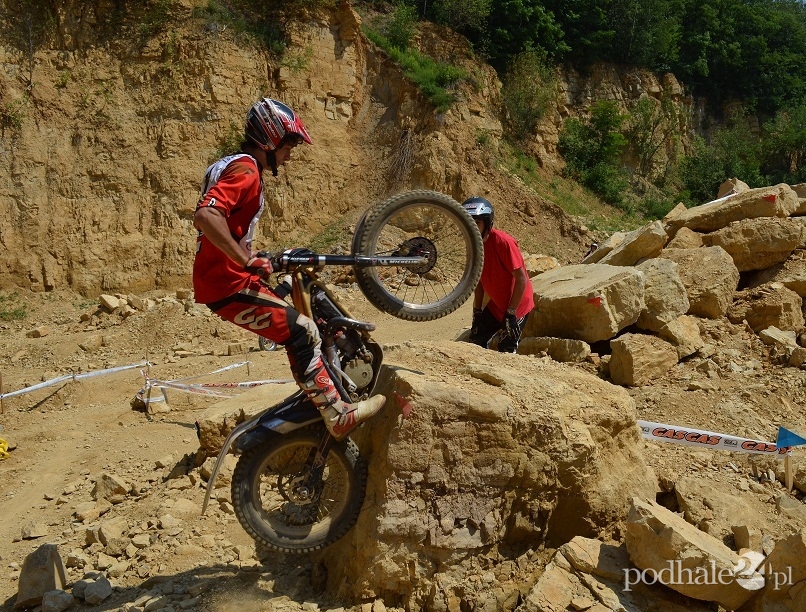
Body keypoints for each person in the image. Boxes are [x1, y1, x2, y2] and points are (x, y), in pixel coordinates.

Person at [192, 97, 385, 440]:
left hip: (231, 277)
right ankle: (336, 412)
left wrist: (259, 257)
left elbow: (228, 230)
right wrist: (246, 260)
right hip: (227, 284)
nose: (290, 155)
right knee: (302, 331)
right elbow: (207, 216)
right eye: (288, 146)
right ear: (270, 139)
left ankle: (323, 385)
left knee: (302, 301)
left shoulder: (233, 164)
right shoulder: (247, 172)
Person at [463, 196, 534, 353]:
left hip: (518, 304)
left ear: (487, 223)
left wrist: (511, 313)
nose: (472, 227)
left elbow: (521, 279)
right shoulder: (473, 245)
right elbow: (478, 280)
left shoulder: (503, 242)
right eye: (468, 222)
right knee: (475, 341)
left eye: (477, 223)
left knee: (506, 349)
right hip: (497, 305)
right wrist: (477, 311)